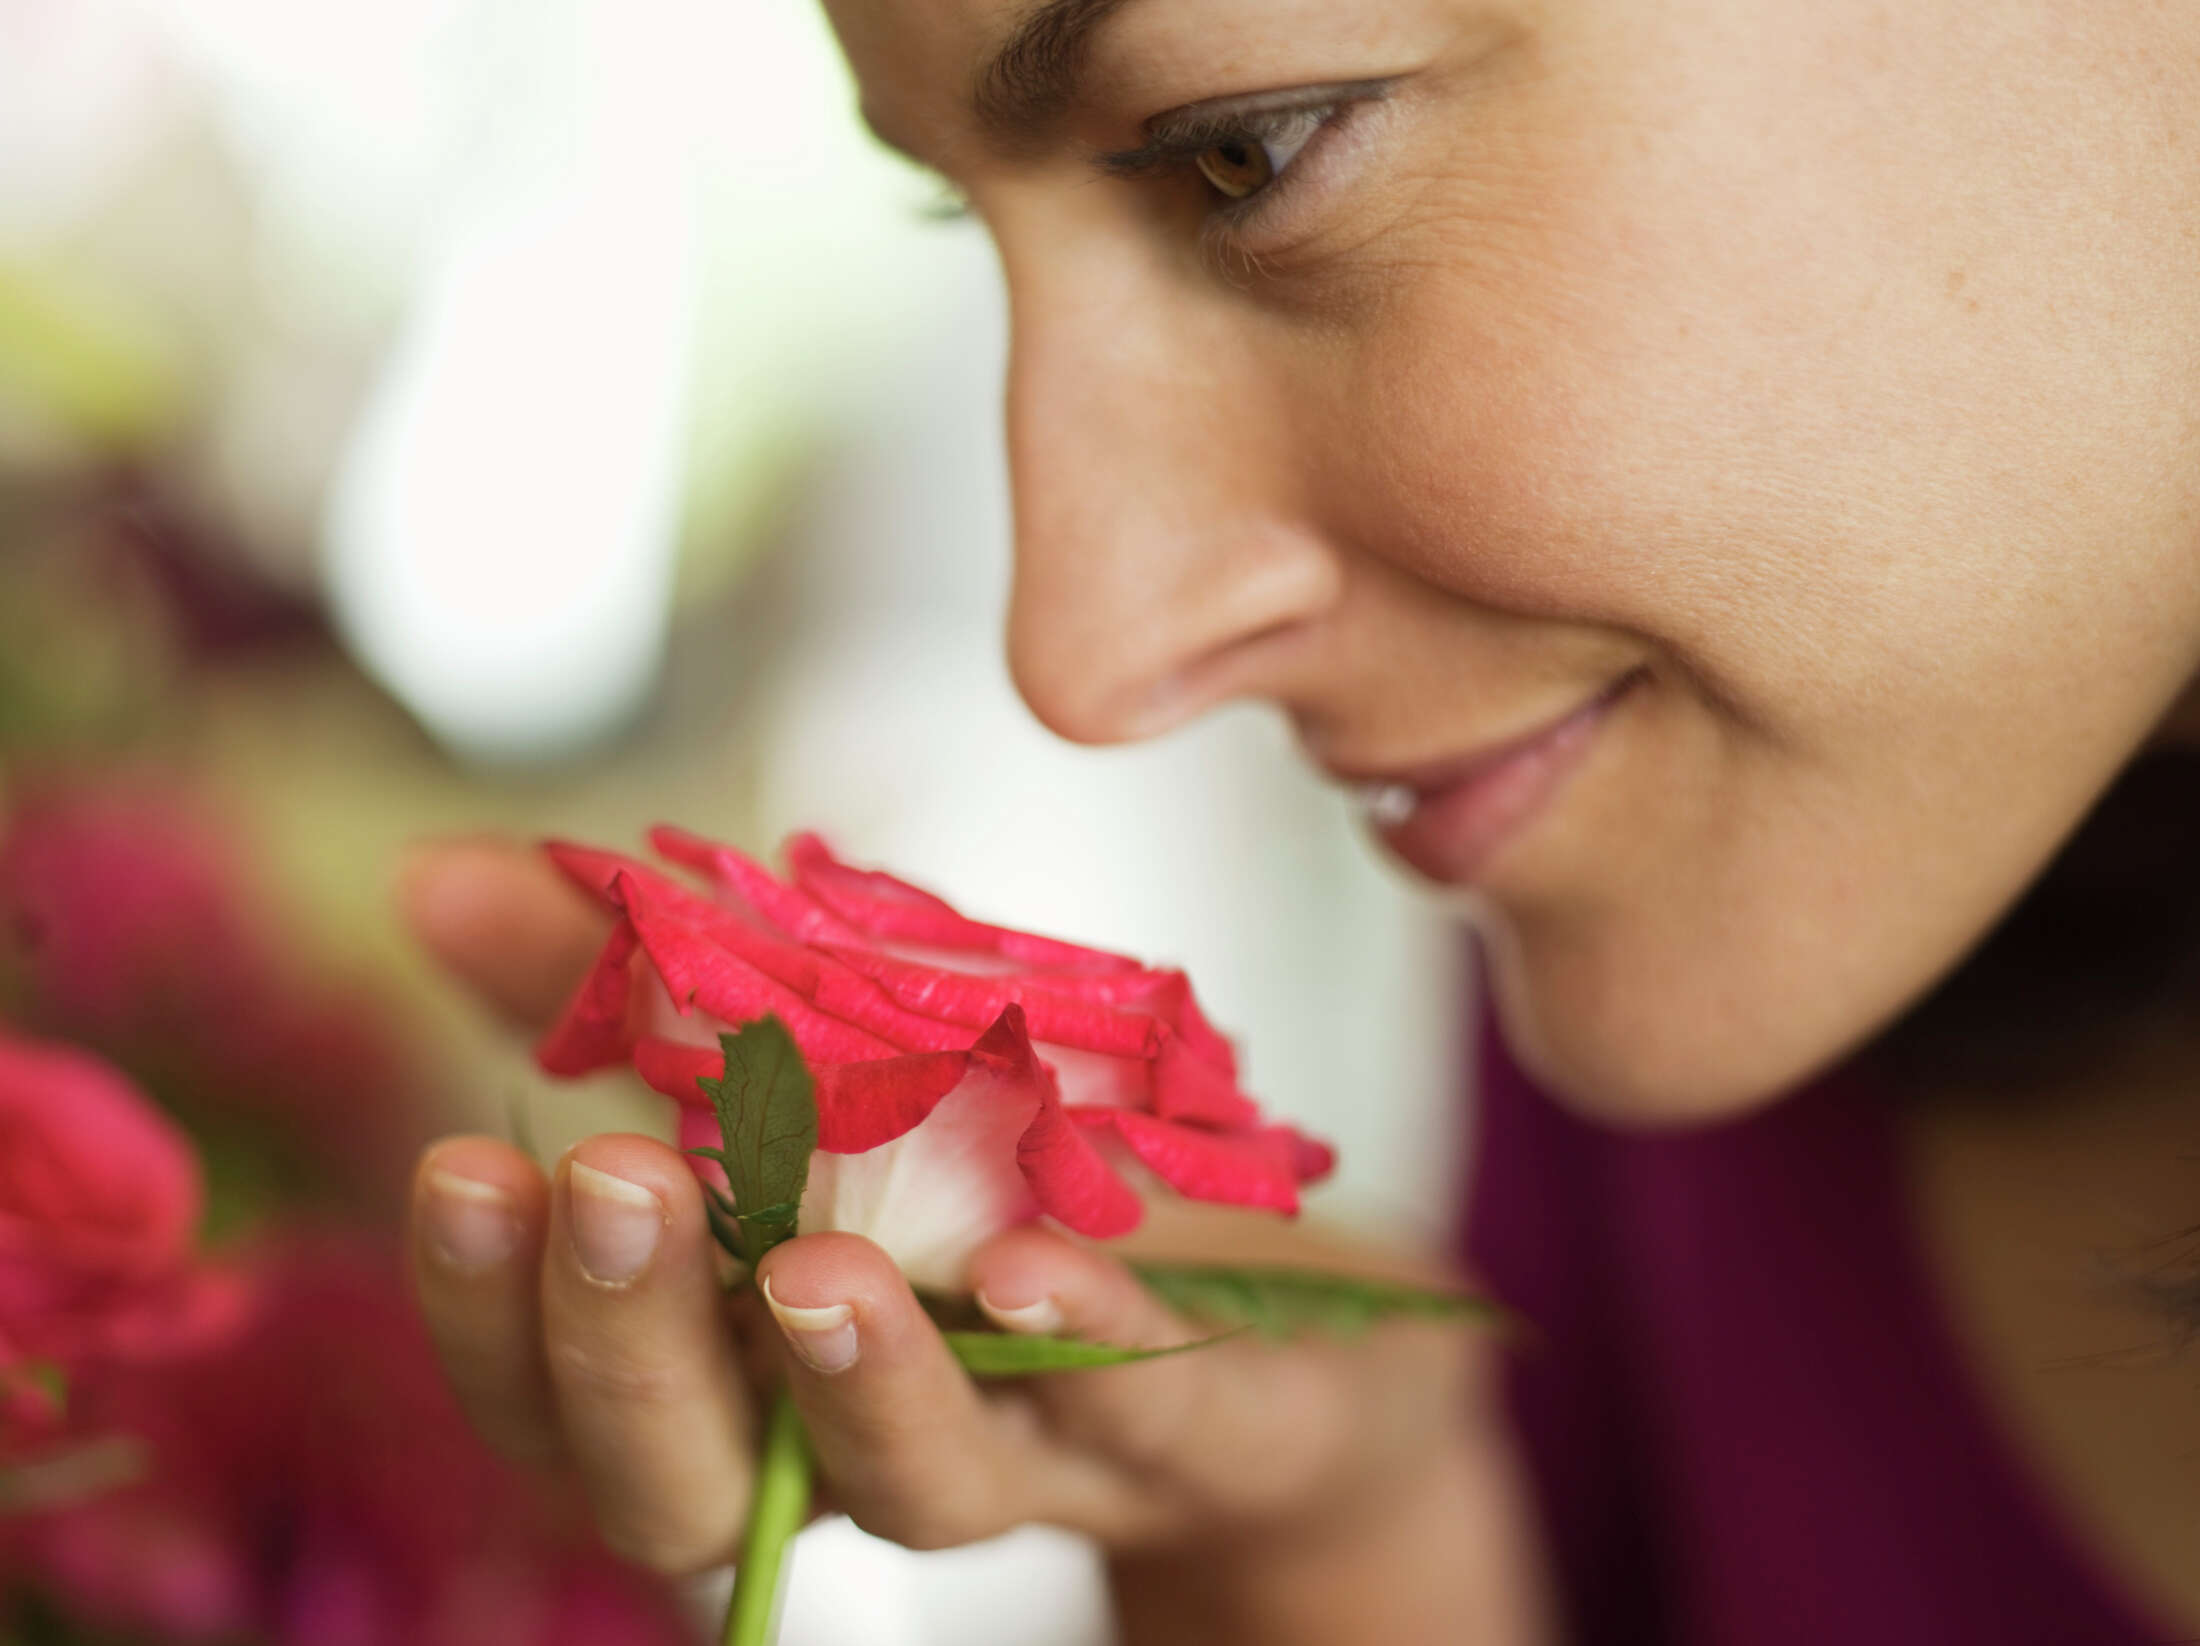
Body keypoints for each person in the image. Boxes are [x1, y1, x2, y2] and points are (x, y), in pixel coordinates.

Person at [398, 1, 2200, 1639]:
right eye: (969, 227)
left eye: (1247, 149)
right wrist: (1334, 1544)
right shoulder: (1708, 958)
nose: (1084, 660)